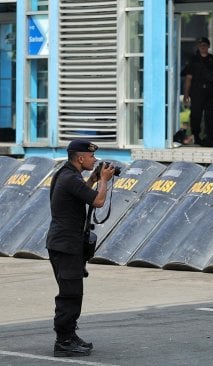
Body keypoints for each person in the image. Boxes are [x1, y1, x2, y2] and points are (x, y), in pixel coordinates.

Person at [46, 139, 115, 357]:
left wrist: (94, 178)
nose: (94, 160)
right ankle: (63, 341)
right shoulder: (69, 177)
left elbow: (82, 193)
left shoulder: (67, 174)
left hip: (66, 244)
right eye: (91, 157)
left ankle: (69, 335)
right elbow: (98, 202)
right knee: (70, 294)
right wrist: (104, 181)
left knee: (73, 292)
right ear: (81, 158)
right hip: (65, 245)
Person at [182, 37, 213, 147]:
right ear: (198, 47)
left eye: (204, 45)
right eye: (200, 45)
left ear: (208, 46)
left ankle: (210, 137)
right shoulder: (193, 60)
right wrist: (186, 94)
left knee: (210, 115)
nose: (202, 47)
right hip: (197, 91)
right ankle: (196, 136)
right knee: (196, 115)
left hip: (210, 91)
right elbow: (188, 77)